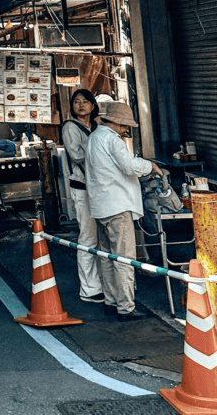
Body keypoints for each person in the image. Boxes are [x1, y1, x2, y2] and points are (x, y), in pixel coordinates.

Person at [84, 100, 162, 320]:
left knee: (106, 257)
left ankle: (111, 302)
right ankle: (126, 307)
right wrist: (150, 166)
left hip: (100, 206)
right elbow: (128, 166)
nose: (127, 129)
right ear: (118, 123)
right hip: (118, 206)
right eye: (126, 125)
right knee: (124, 259)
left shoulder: (94, 138)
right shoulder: (112, 140)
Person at [61, 89, 104, 303]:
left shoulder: (97, 127)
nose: (80, 105)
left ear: (93, 105)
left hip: (101, 188)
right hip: (83, 187)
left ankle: (103, 283)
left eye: (85, 101)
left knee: (102, 237)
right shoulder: (70, 127)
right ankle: (89, 289)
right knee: (88, 237)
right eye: (76, 101)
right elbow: (76, 155)